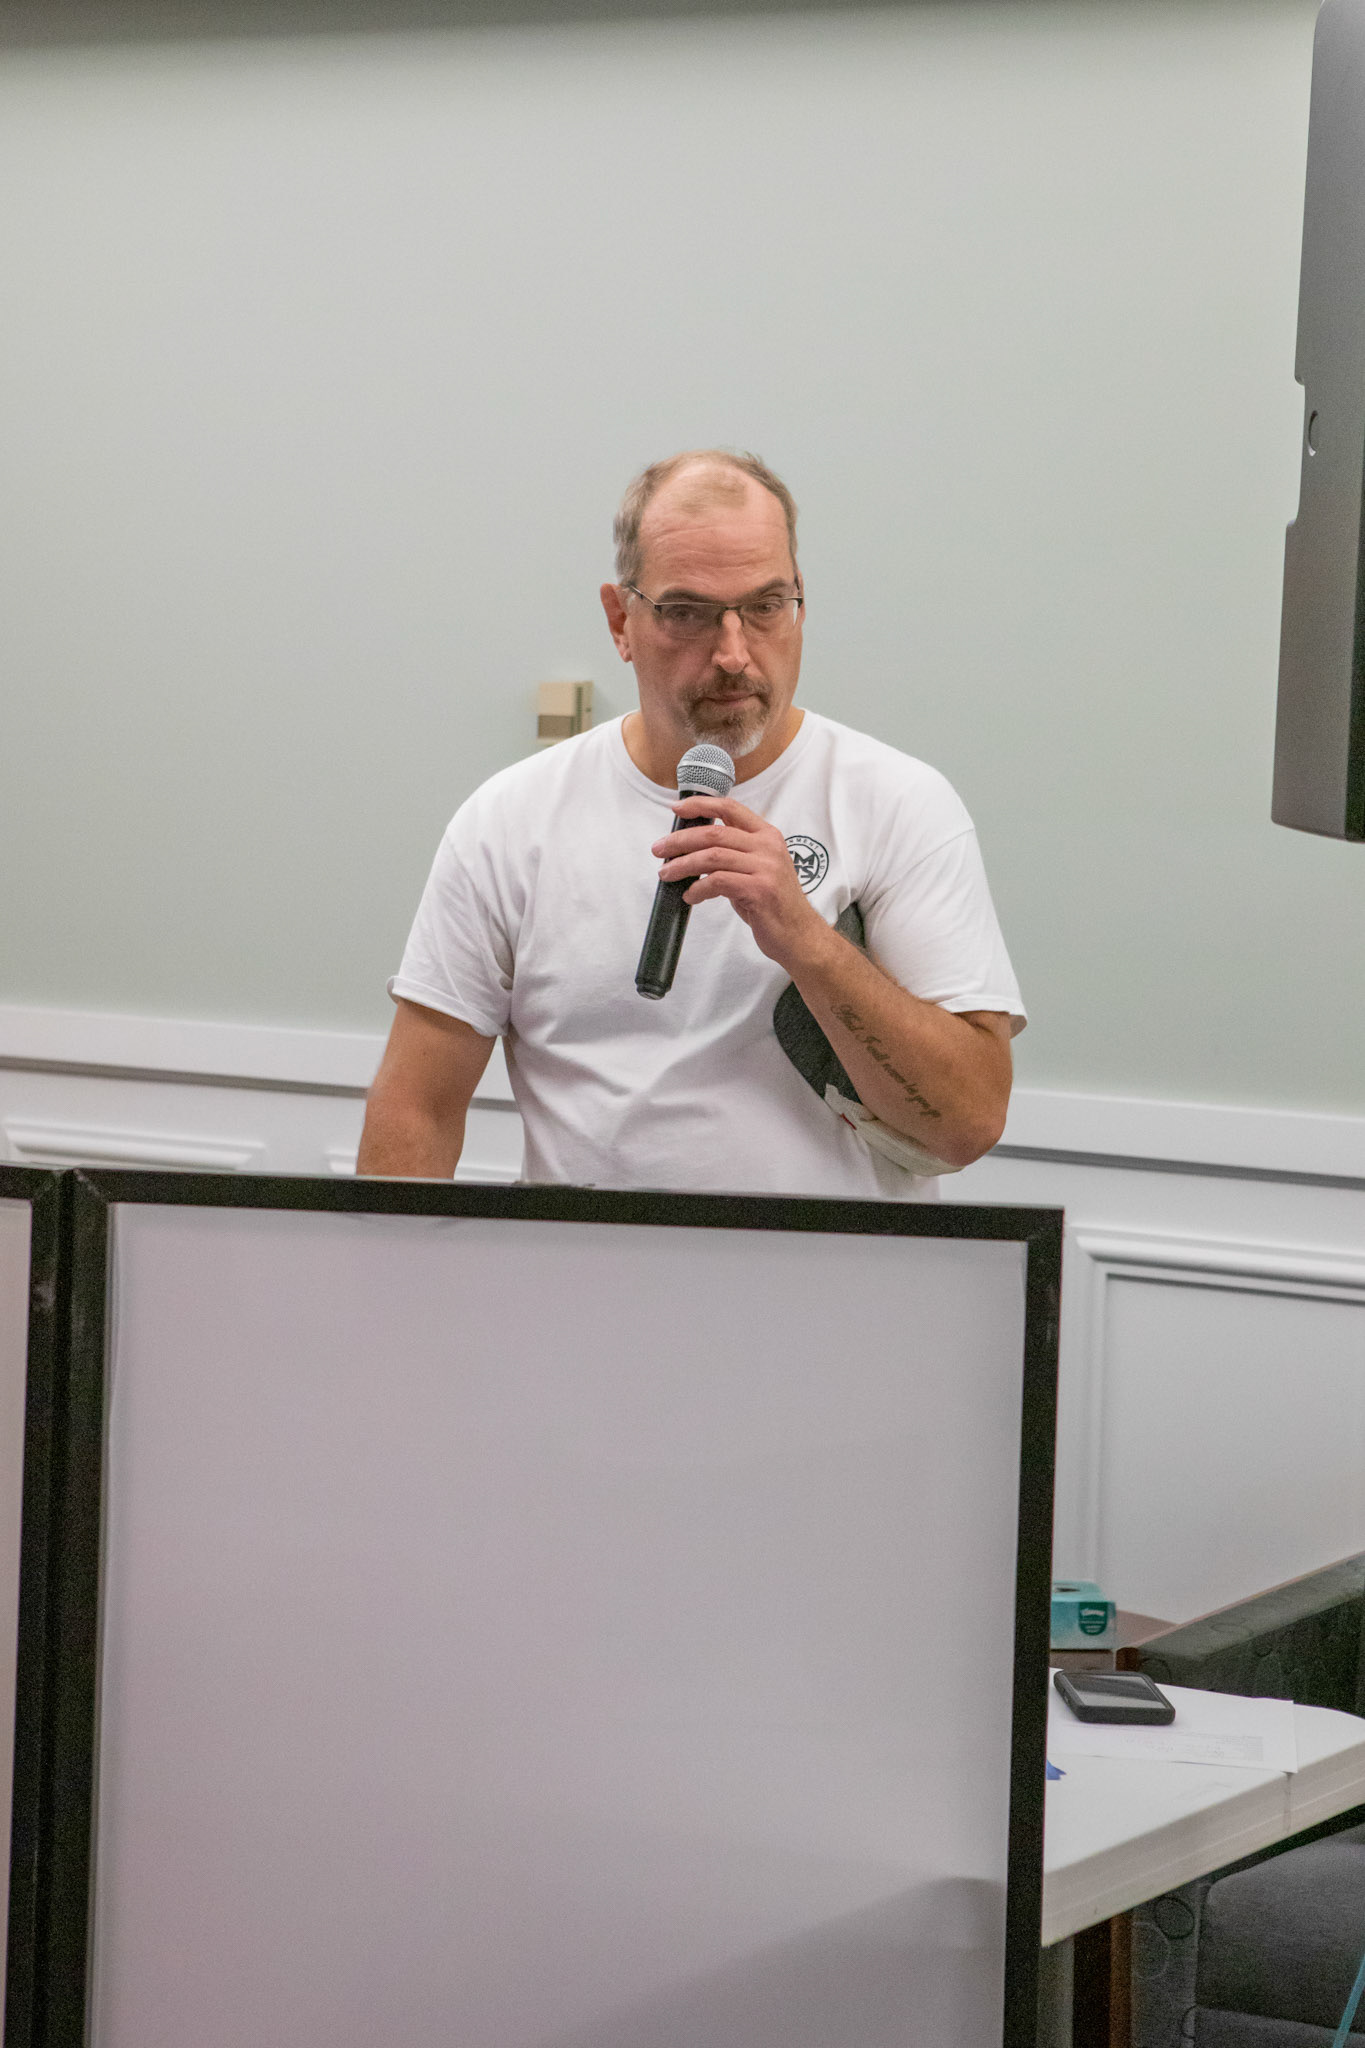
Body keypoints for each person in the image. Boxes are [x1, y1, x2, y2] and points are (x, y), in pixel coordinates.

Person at [357, 450, 1024, 1197]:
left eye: (766, 606)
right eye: (687, 613)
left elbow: (967, 1125)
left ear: (800, 602)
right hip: (577, 1265)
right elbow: (416, 1107)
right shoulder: (510, 819)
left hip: (827, 1269)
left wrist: (803, 939)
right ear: (621, 621)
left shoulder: (898, 803)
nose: (734, 654)